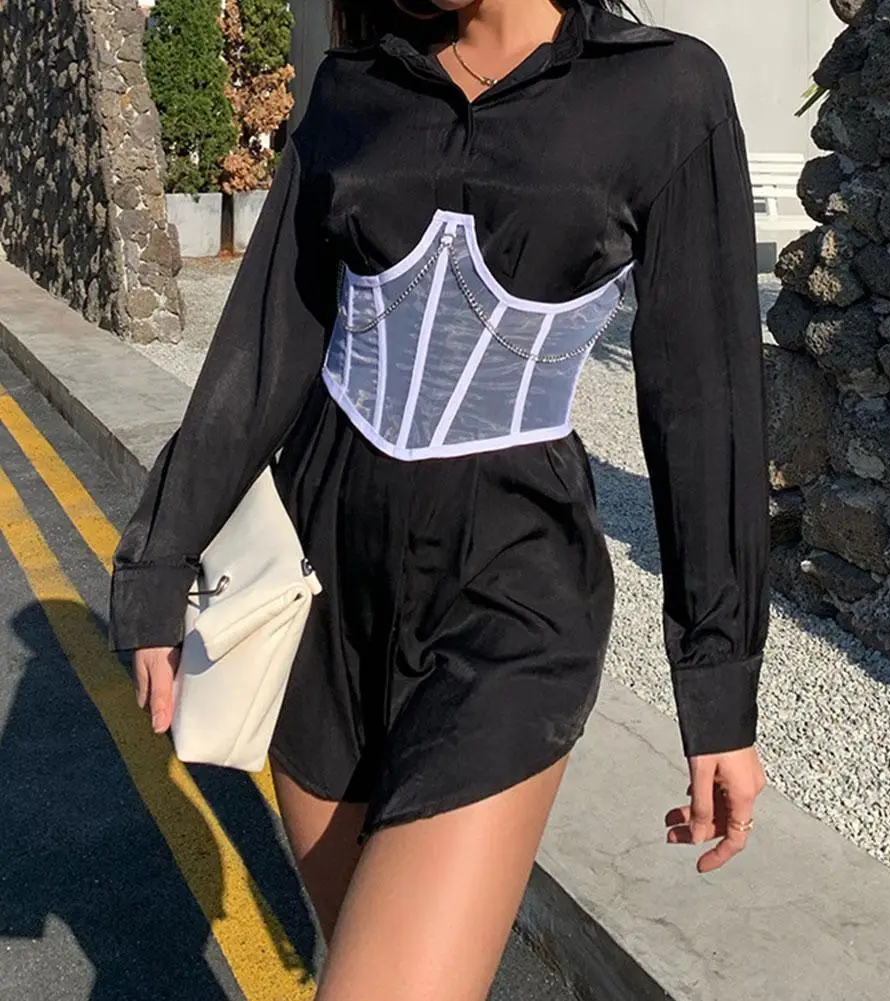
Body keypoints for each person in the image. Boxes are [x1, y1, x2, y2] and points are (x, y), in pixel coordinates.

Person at [110, 1, 770, 998]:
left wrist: (717, 688)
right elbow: (266, 346)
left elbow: (704, 397)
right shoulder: (354, 87)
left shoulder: (663, 90)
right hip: (316, 588)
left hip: (511, 590)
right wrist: (159, 559)